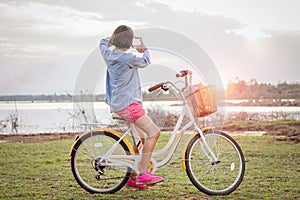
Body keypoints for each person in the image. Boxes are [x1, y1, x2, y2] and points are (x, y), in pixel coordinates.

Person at [99, 25, 163, 189]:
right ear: (128, 42)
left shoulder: (108, 54)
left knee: (140, 139)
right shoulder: (128, 58)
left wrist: (115, 39)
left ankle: (132, 178)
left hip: (119, 104)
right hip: (129, 105)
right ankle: (143, 174)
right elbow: (145, 61)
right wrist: (144, 49)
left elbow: (102, 41)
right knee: (154, 133)